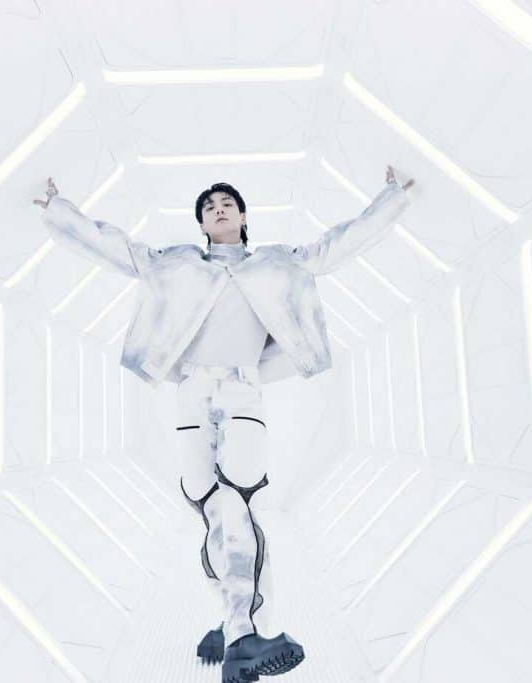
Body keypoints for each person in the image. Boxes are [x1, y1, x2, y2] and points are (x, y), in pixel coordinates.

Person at [34, 165, 414, 682]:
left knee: (235, 502)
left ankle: (243, 632)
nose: (218, 209)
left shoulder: (278, 264)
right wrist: (58, 211)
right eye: (209, 206)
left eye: (227, 203)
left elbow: (338, 244)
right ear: (201, 223)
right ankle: (233, 619)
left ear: (243, 216)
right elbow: (115, 247)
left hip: (242, 391)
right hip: (191, 393)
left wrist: (391, 198)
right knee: (209, 506)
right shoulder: (176, 265)